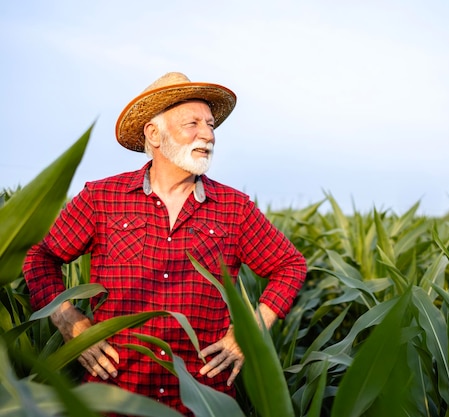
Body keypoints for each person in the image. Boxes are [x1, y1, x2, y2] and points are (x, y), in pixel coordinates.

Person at [23, 72, 307, 415]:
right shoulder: (102, 198)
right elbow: (40, 257)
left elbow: (290, 266)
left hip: (202, 403)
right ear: (154, 134)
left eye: (211, 124)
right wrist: (69, 321)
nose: (208, 134)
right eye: (193, 123)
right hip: (114, 400)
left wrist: (250, 331)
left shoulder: (235, 208)